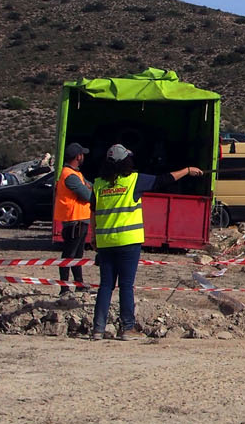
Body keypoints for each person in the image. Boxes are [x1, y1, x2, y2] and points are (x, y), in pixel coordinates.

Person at [90, 144, 204, 341]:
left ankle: (97, 329)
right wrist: (186, 170)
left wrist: (93, 237)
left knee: (105, 285)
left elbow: (92, 211)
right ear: (126, 161)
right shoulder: (134, 180)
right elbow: (164, 180)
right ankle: (127, 328)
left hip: (106, 242)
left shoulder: (98, 184)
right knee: (126, 285)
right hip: (128, 241)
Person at [54, 143, 93, 297]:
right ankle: (64, 287)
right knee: (69, 255)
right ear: (78, 156)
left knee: (77, 255)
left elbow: (90, 187)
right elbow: (88, 194)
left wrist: (88, 190)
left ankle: (79, 283)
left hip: (80, 219)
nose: (83, 156)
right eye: (82, 154)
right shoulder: (70, 175)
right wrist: (87, 191)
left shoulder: (76, 174)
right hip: (73, 220)